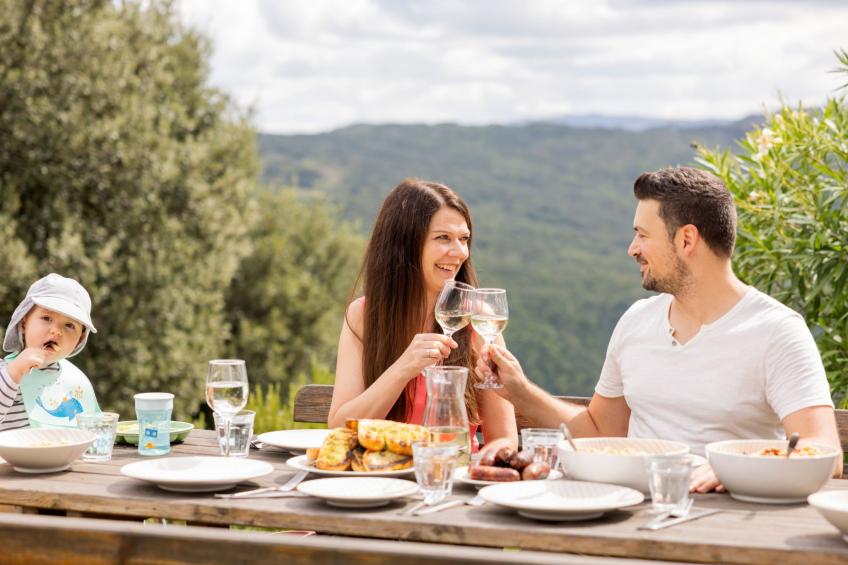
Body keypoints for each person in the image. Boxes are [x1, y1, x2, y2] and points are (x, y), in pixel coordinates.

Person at [476, 167, 841, 491]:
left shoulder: (776, 331)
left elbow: (824, 452)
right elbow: (602, 431)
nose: (632, 249)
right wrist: (519, 391)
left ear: (686, 240)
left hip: (728, 518)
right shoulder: (637, 320)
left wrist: (735, 470)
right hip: (629, 509)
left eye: (642, 234)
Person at [329, 178, 517, 453]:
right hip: (380, 479)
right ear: (404, 244)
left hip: (454, 480)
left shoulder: (479, 319)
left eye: (464, 239)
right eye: (443, 238)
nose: (459, 252)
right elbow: (339, 430)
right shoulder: (364, 316)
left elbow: (504, 440)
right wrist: (403, 369)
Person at [1, 273, 99, 430]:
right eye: (47, 318)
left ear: (79, 340)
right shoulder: (5, 371)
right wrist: (14, 372)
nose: (56, 331)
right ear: (24, 322)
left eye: (69, 325)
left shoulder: (76, 379)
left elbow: (95, 431)